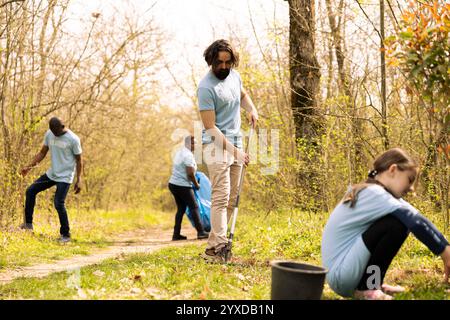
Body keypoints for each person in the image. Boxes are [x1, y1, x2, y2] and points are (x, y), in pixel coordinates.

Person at [321, 148, 450, 300]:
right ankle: (369, 287)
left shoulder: (376, 192)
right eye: (409, 179)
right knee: (396, 224)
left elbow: (419, 218)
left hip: (344, 272)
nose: (411, 188)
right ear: (393, 170)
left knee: (400, 220)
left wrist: (446, 249)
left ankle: (372, 284)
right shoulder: (374, 193)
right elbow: (414, 222)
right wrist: (445, 253)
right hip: (341, 275)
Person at [197, 39, 258, 261]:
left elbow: (242, 96)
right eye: (219, 62)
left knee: (232, 198)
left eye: (227, 62)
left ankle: (214, 247)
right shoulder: (206, 87)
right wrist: (236, 153)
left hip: (236, 143)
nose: (223, 67)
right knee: (221, 197)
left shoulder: (235, 76)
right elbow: (210, 128)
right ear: (211, 61)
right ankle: (221, 246)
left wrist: (252, 110)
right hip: (216, 145)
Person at [20, 117, 82, 243]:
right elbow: (42, 153)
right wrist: (29, 167)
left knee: (58, 203)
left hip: (65, 176)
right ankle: (28, 225)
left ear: (62, 126)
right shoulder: (49, 134)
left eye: (56, 131)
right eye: (52, 131)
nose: (55, 134)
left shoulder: (73, 139)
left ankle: (66, 235)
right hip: (52, 174)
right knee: (31, 190)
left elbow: (79, 160)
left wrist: (79, 179)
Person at [168, 135, 209, 241]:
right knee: (194, 207)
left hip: (173, 184)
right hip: (183, 185)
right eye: (193, 143)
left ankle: (176, 235)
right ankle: (201, 232)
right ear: (188, 144)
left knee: (181, 209)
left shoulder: (180, 152)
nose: (195, 145)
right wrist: (196, 184)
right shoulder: (188, 155)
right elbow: (190, 173)